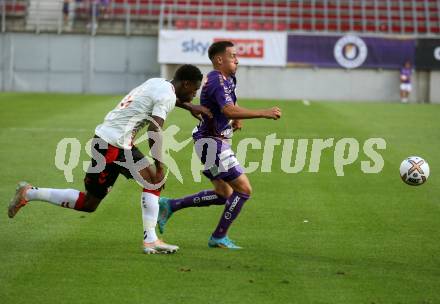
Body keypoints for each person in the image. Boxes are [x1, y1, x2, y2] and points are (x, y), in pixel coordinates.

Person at [8, 64, 210, 254]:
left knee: (100, 200)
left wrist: (190, 107)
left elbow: (166, 99)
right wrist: (160, 164)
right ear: (185, 84)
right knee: (96, 200)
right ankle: (29, 193)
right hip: (110, 147)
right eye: (194, 90)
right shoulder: (166, 95)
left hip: (117, 143)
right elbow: (154, 130)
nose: (194, 94)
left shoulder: (158, 83)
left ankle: (151, 240)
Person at [157, 41, 282, 249]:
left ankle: (171, 205)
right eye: (233, 56)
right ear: (219, 59)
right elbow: (228, 110)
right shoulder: (215, 81)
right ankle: (218, 237)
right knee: (244, 190)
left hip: (209, 143)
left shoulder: (228, 78)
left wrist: (237, 118)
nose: (237, 59)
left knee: (224, 194)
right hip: (212, 145)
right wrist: (263, 112)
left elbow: (231, 105)